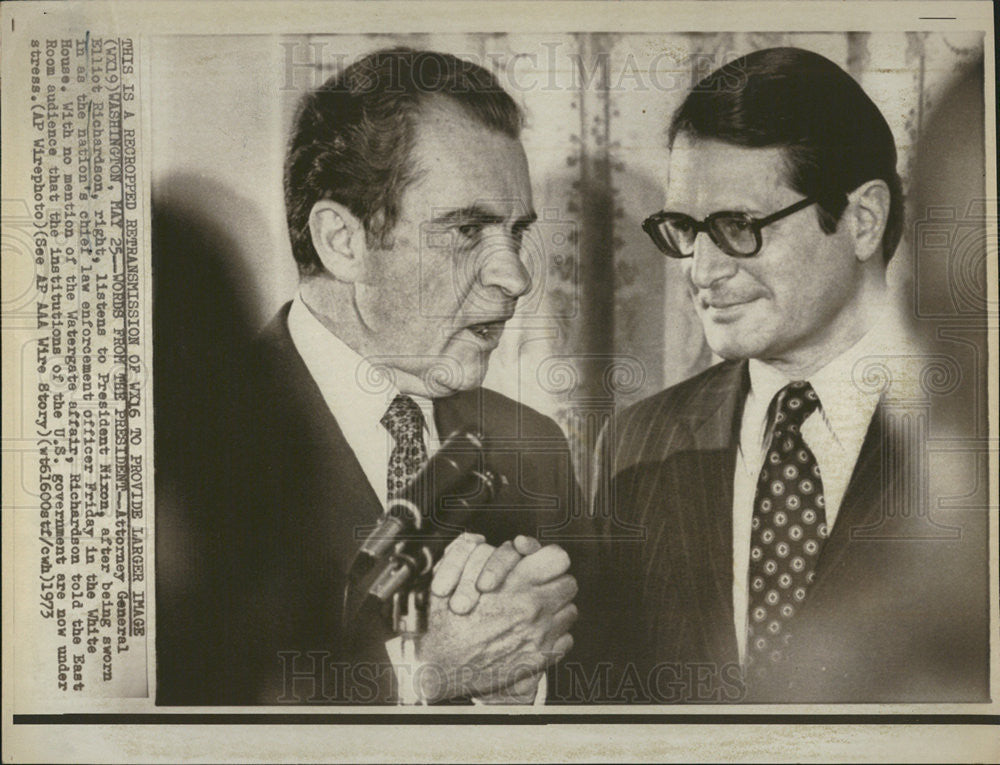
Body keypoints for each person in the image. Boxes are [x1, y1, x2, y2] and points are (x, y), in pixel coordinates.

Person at [156, 48, 579, 705]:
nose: (516, 277)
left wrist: (520, 687)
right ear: (342, 241)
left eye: (517, 233)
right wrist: (418, 672)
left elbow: (605, 707)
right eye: (467, 229)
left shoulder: (536, 448)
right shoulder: (191, 440)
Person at [587, 47, 989, 703]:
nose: (701, 269)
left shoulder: (969, 435)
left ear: (863, 219)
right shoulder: (633, 447)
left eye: (738, 226)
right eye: (686, 229)